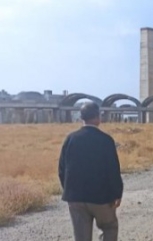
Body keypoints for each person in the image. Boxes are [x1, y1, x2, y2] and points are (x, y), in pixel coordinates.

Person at [58, 102, 123, 241]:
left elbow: (62, 169)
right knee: (109, 228)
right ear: (98, 117)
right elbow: (113, 170)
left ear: (82, 118)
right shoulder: (106, 140)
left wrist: (69, 190)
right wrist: (117, 193)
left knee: (81, 236)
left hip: (76, 197)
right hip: (102, 198)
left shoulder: (70, 139)